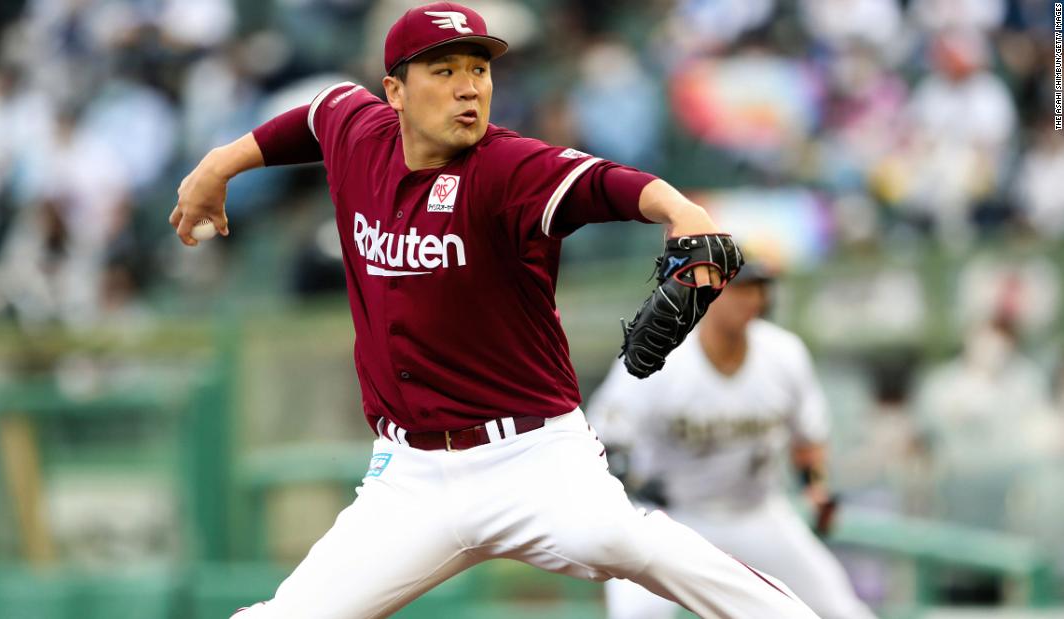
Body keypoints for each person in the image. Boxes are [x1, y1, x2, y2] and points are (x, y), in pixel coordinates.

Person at [171, 4, 818, 618]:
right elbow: (316, 113)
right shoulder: (357, 134)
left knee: (639, 546)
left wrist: (683, 212)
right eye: (444, 70)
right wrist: (221, 162)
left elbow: (603, 183)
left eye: (479, 69)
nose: (468, 87)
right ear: (395, 91)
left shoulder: (506, 167)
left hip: (534, 457)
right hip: (411, 475)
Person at [588, 254, 875, 619]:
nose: (752, 299)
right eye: (739, 289)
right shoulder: (663, 356)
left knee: (839, 609)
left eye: (759, 289)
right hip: (674, 516)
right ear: (708, 296)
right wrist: (631, 480)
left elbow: (808, 440)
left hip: (756, 513)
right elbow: (604, 440)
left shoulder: (783, 353)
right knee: (635, 615)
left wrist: (816, 490)